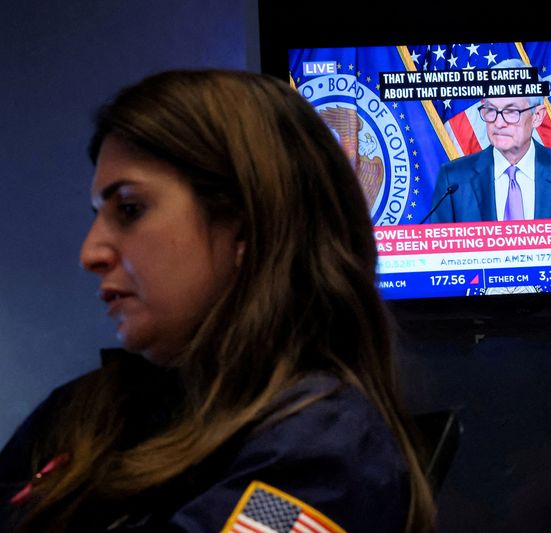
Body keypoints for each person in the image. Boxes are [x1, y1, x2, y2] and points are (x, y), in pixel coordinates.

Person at [0, 69, 436, 532]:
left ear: (247, 224)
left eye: (129, 209)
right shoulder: (83, 412)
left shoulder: (321, 455)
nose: (90, 253)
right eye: (98, 216)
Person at [429, 61, 551, 223]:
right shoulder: (453, 179)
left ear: (537, 117)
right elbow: (439, 252)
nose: (498, 123)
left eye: (511, 111)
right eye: (491, 110)